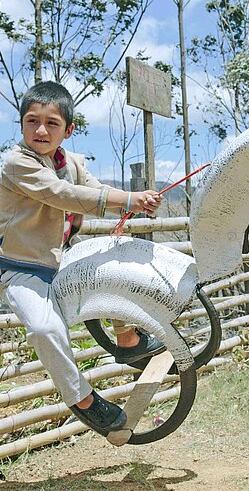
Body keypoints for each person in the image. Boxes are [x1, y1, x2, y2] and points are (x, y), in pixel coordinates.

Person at [0, 81, 166, 436]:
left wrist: (136, 201)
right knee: (44, 329)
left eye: (52, 123)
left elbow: (91, 189)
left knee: (114, 263)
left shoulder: (73, 162)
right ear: (22, 124)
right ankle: (83, 400)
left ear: (68, 130)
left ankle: (128, 340)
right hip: (21, 268)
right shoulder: (17, 163)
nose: (41, 130)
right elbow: (64, 195)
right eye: (32, 121)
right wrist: (129, 199)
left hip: (62, 262)